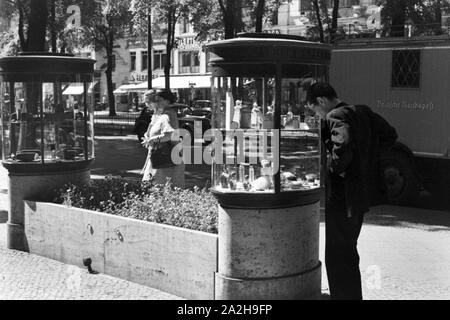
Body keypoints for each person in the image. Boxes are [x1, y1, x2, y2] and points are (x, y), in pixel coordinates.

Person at [305, 82, 397, 300]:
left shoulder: (334, 116)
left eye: (314, 110)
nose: (317, 115)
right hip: (360, 196)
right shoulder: (362, 111)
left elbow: (343, 145)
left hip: (342, 196)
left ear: (321, 101)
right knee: (348, 250)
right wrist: (367, 160)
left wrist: (333, 167)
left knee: (337, 255)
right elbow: (390, 135)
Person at [141, 89, 185, 188]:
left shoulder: (168, 114)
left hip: (166, 157)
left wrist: (152, 140)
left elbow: (170, 134)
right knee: (155, 187)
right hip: (161, 156)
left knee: (161, 188)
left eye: (159, 100)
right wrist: (148, 137)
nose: (157, 102)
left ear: (167, 101)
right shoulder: (160, 114)